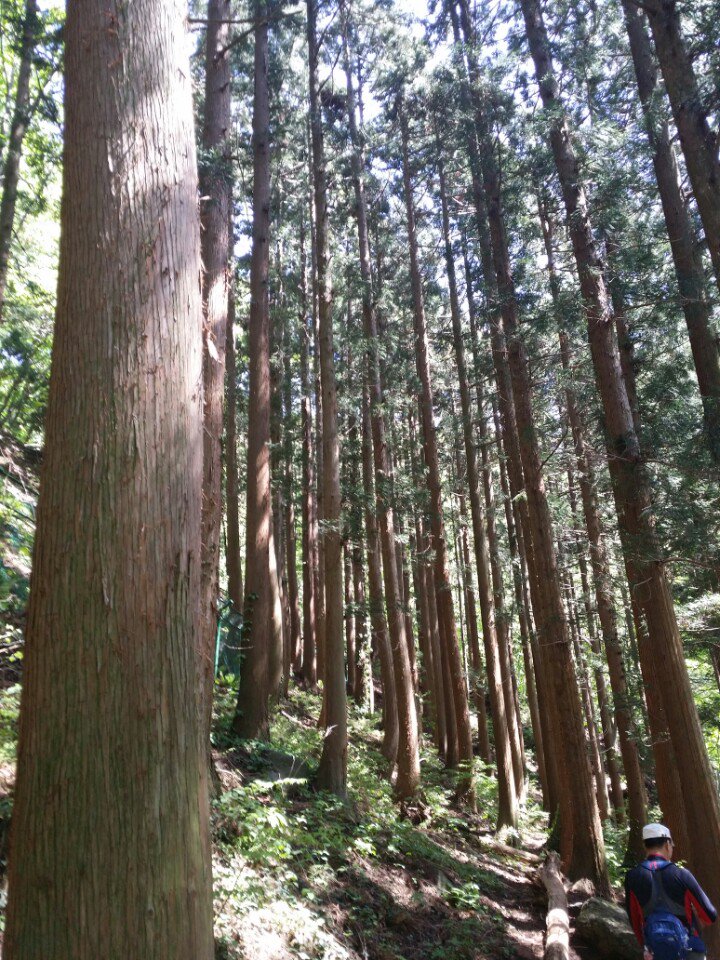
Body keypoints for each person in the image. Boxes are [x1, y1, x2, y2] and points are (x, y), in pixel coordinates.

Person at [625, 823, 717, 960]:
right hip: (690, 949)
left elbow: (634, 920)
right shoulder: (682, 875)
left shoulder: (632, 877)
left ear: (645, 846)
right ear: (667, 844)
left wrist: (648, 944)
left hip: (655, 951)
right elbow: (710, 915)